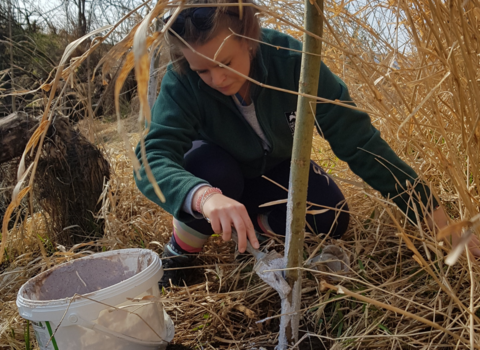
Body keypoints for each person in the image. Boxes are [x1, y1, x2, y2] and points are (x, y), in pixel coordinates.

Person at [135, 0, 480, 288]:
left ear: (249, 37)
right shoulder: (182, 81)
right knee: (213, 172)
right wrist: (204, 197)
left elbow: (361, 144)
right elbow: (151, 158)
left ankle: (252, 230)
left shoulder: (293, 62)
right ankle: (181, 251)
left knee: (330, 214)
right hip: (216, 178)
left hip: (273, 174)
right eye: (203, 71)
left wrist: (438, 219)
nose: (217, 79)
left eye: (225, 63)